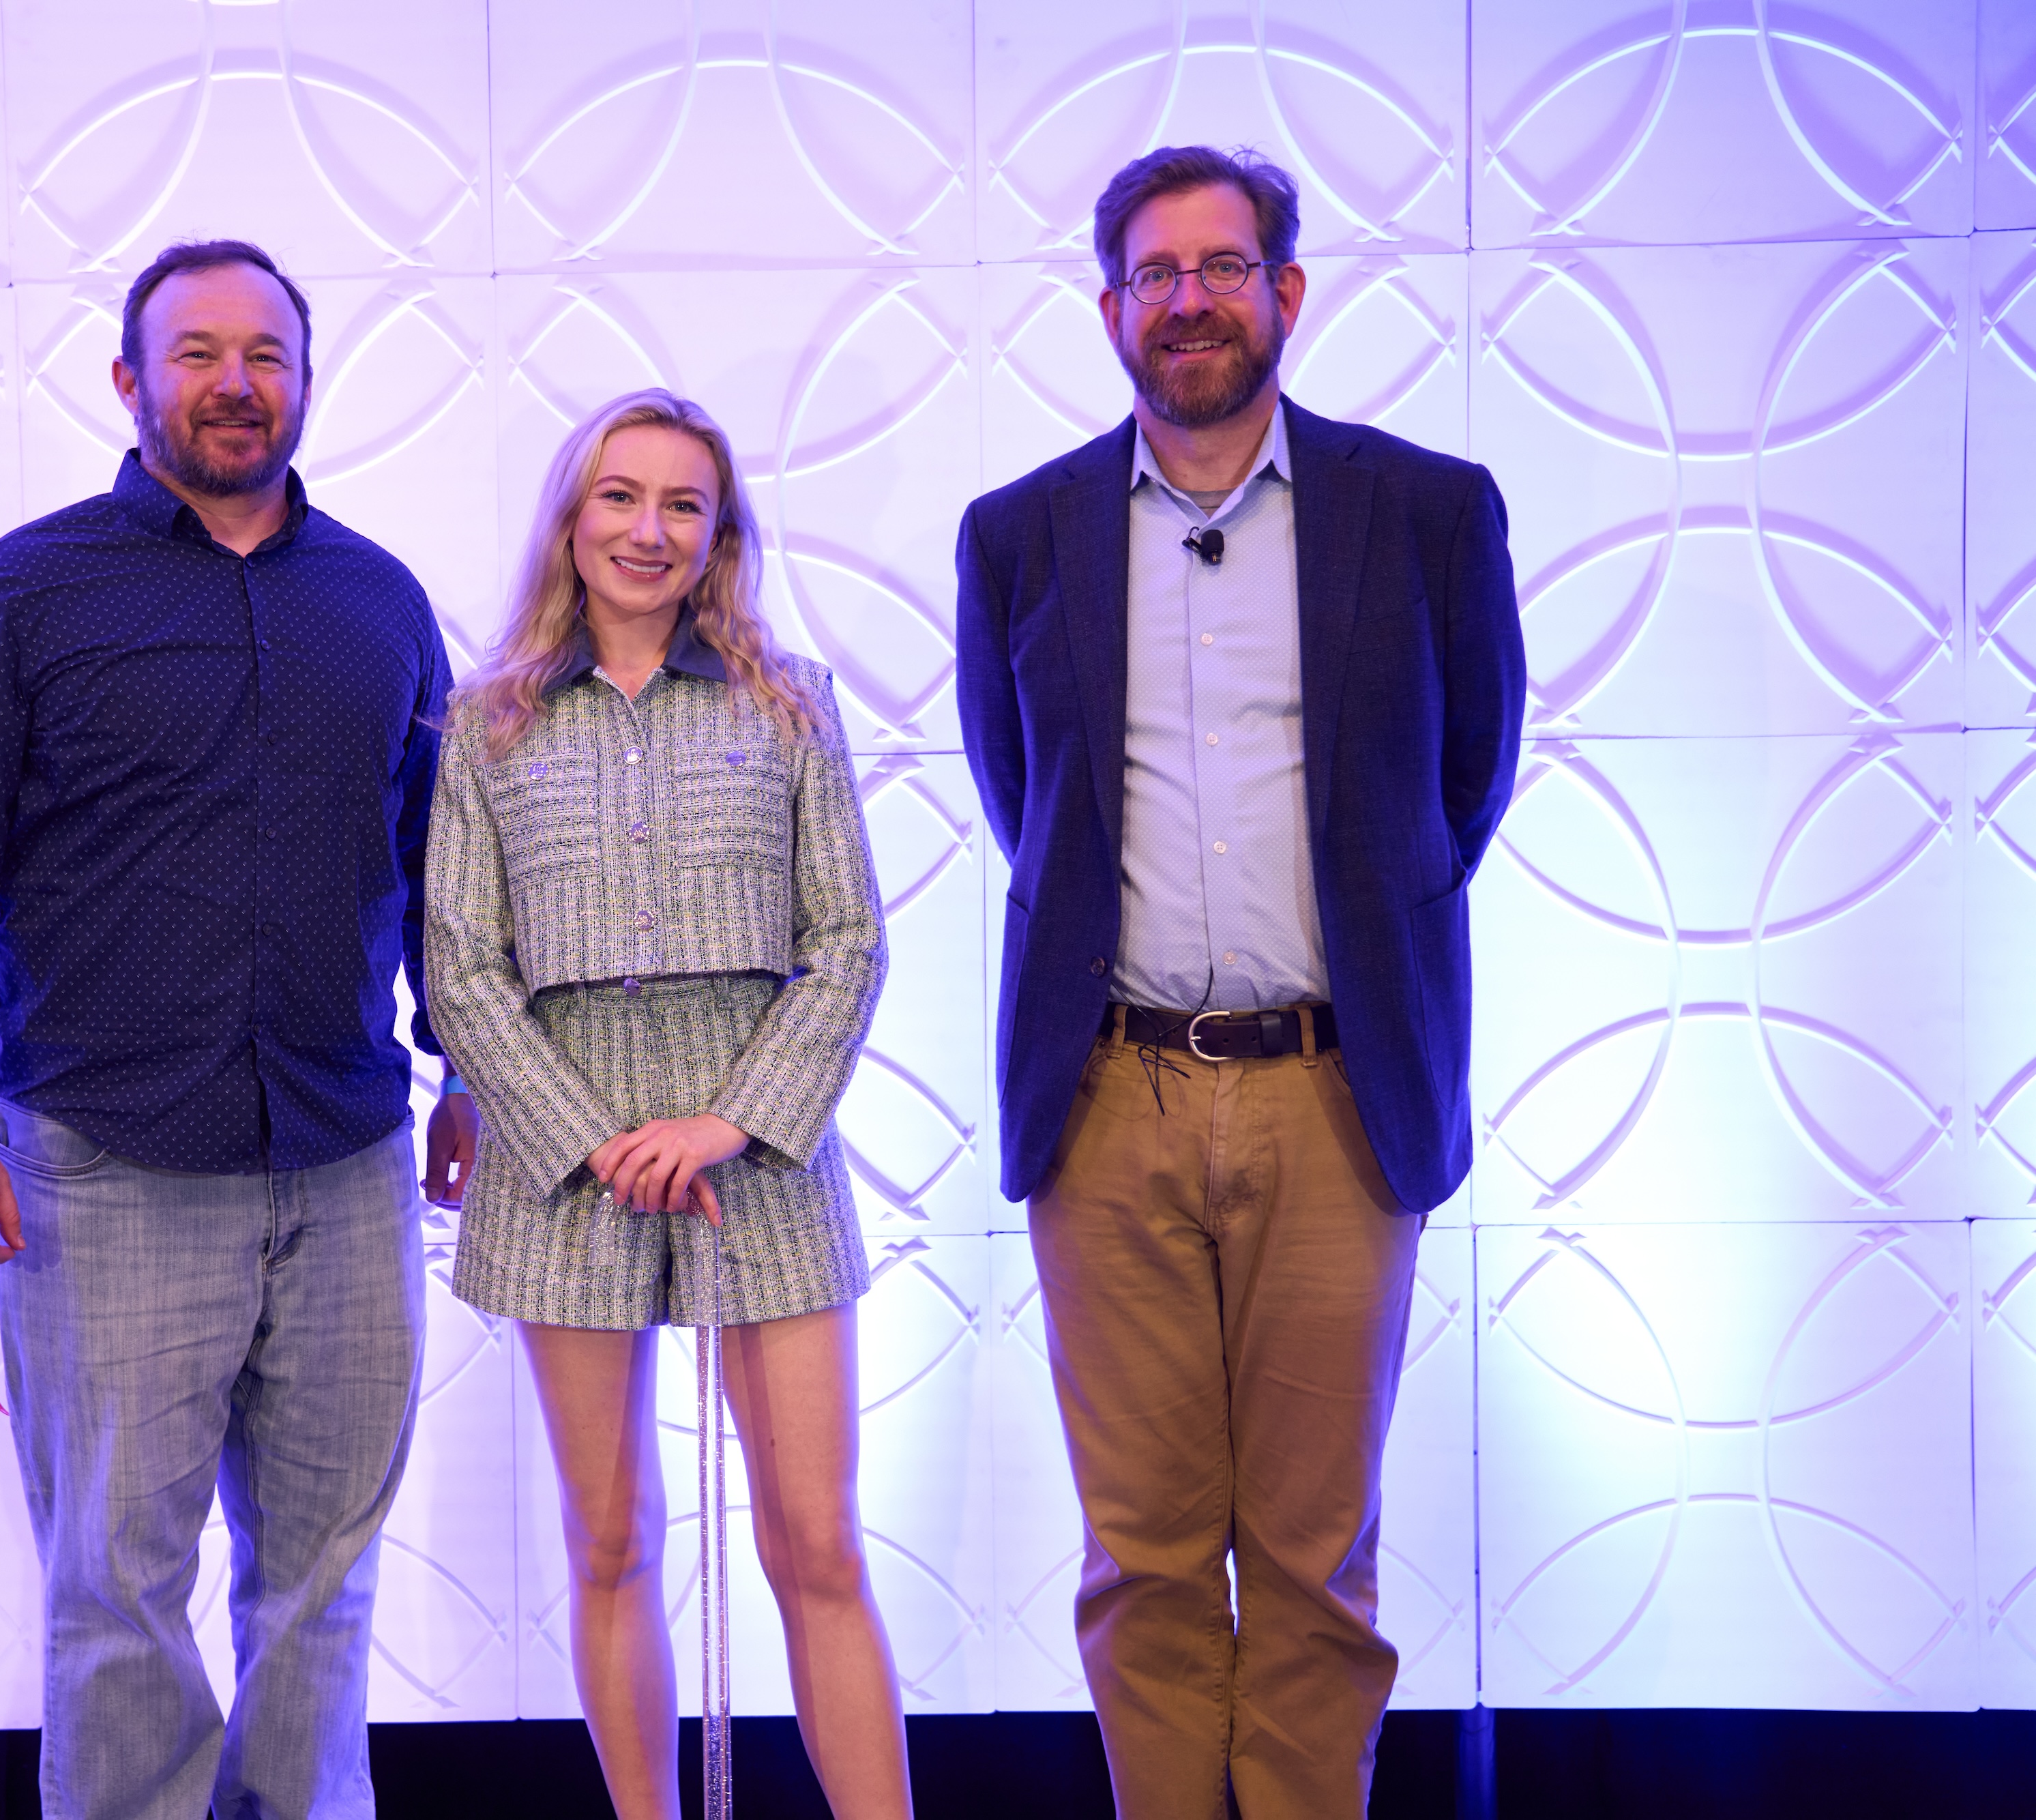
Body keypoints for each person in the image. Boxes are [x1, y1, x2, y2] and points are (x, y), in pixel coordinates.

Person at [0, 238, 473, 1820]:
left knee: (323, 1582)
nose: (233, 382)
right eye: (194, 352)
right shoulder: (23, 596)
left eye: (265, 353)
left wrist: (460, 1065)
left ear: (305, 383)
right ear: (129, 383)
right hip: (107, 1162)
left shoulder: (378, 603)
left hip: (344, 1155)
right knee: (117, 1591)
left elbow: (439, 867)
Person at [954, 147, 1524, 1817]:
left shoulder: (1424, 508)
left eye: (1222, 265)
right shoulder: (1019, 534)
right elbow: (1027, 806)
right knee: (1137, 1557)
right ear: (1109, 304)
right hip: (1106, 1098)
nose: (1186, 298)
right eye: (1153, 271)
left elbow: (1462, 781)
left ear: (1285, 290)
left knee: (1307, 1556)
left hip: (1333, 1093)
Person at [423, 389, 913, 1818]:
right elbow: (456, 963)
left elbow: (850, 940)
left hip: (759, 1149)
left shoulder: (788, 703)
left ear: (718, 535)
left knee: (816, 1538)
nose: (648, 529)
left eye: (682, 504)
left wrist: (731, 1119)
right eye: (618, 496)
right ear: (570, 522)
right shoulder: (486, 723)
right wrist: (585, 1137)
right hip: (556, 1163)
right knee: (609, 1537)